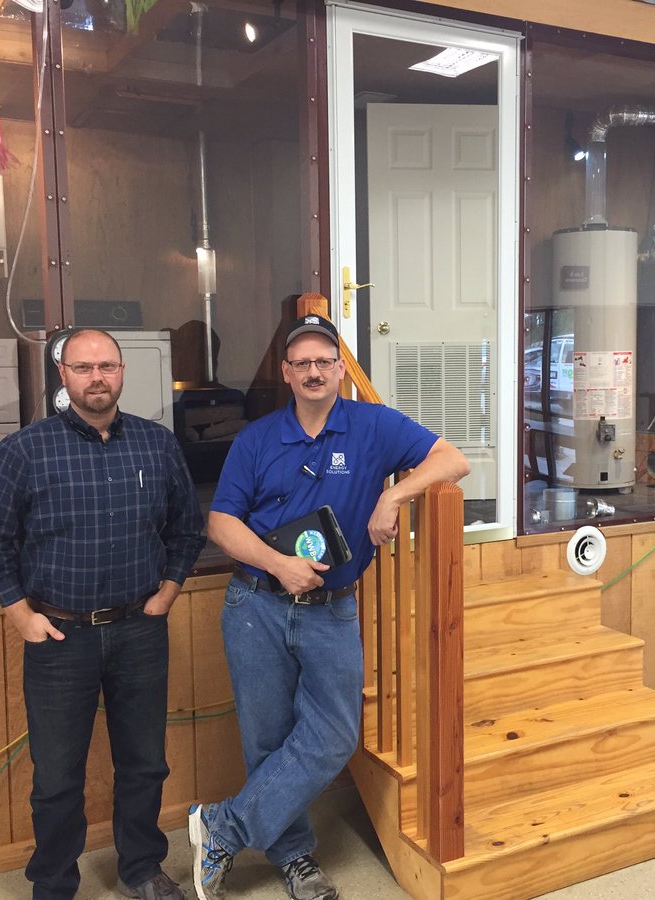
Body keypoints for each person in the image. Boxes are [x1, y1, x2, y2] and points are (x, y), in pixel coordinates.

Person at [188, 314, 469, 900]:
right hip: (256, 604)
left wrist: (392, 494)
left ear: (341, 370)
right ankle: (295, 859)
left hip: (332, 609)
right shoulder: (257, 438)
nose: (314, 372)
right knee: (267, 739)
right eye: (302, 363)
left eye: (325, 361)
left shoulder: (374, 426)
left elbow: (451, 460)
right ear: (286, 373)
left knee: (336, 736)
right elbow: (219, 522)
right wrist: (277, 562)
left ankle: (222, 826)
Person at [0, 328, 205, 900]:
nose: (97, 377)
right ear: (63, 376)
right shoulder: (23, 450)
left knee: (146, 763)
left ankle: (143, 869)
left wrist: (169, 591)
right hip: (57, 636)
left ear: (122, 372)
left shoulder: (156, 444)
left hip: (139, 629)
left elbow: (187, 529)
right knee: (55, 776)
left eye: (107, 366)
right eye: (83, 368)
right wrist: (20, 615)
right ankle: (52, 882)